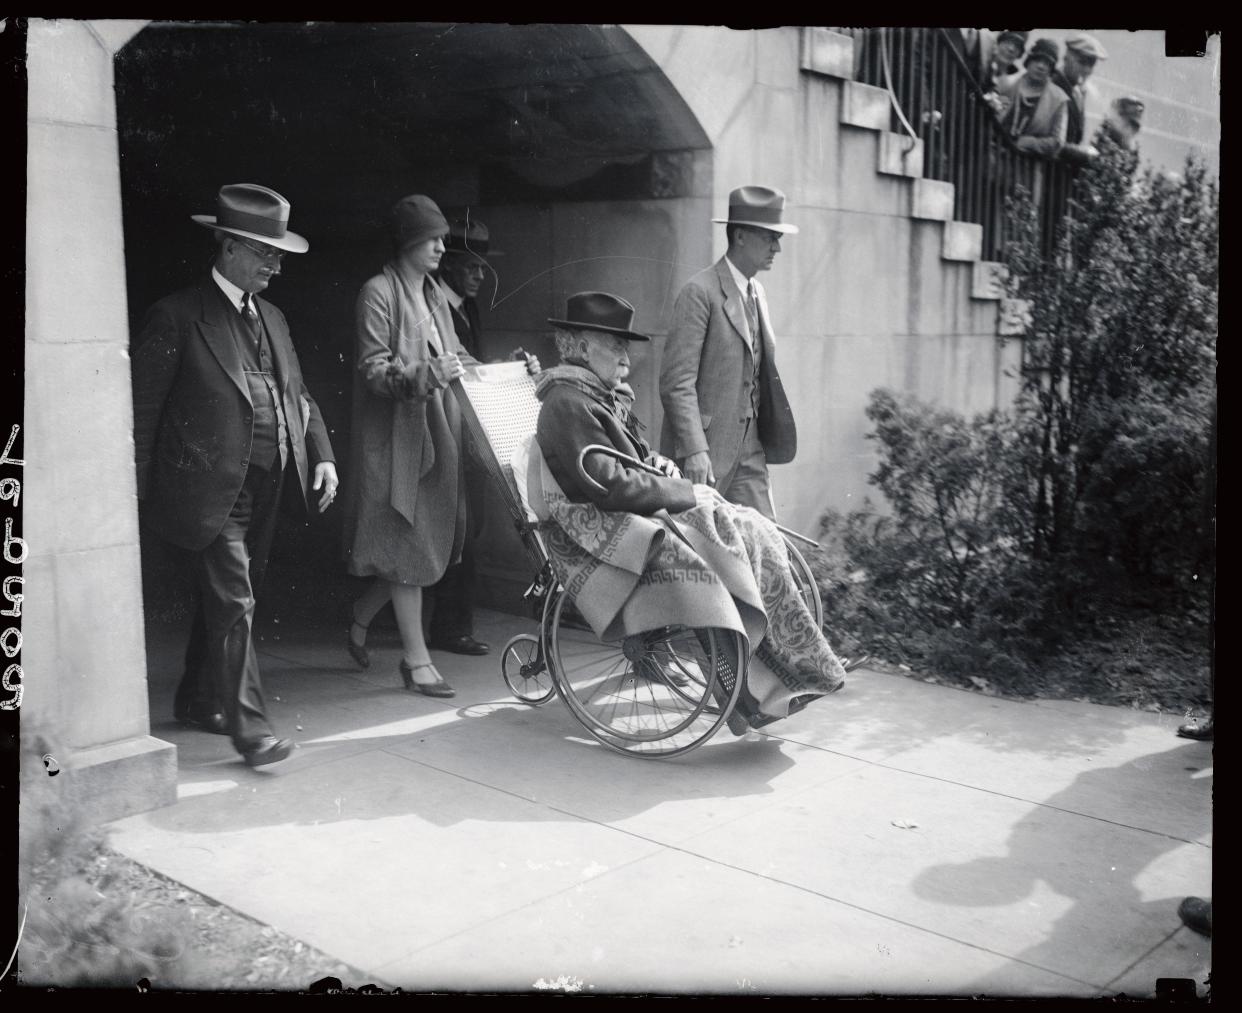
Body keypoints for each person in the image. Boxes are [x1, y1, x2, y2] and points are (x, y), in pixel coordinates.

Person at [536, 292, 847, 733]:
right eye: (616, 345)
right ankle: (756, 685)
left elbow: (629, 463)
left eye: (626, 347)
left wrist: (660, 466)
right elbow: (607, 483)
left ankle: (786, 667)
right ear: (583, 349)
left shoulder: (592, 396)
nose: (626, 357)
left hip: (634, 515)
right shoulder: (567, 404)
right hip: (609, 530)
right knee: (723, 541)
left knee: (750, 527)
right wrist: (678, 490)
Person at [131, 183, 338, 767]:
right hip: (204, 489)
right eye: (264, 251)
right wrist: (139, 498)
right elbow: (143, 416)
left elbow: (298, 394)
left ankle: (199, 700)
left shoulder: (272, 315)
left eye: (278, 254)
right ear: (225, 247)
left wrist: (321, 453)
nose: (275, 264)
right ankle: (252, 731)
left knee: (231, 600)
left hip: (268, 482)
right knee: (235, 599)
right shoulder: (177, 315)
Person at [342, 195, 479, 697]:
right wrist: (426, 374)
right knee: (410, 541)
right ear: (407, 242)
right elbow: (374, 369)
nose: (443, 247)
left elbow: (457, 358)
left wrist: (510, 369)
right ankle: (416, 661)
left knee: (425, 542)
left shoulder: (435, 296)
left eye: (443, 237)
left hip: (438, 432)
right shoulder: (377, 293)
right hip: (397, 437)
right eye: (433, 238)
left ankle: (361, 615)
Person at [659, 185, 799, 521]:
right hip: (705, 454)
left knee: (767, 541)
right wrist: (694, 449)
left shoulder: (757, 292)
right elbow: (676, 382)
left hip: (751, 450)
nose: (777, 247)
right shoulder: (700, 292)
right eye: (769, 237)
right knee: (696, 549)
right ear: (739, 237)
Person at [993, 38, 1070, 157]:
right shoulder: (1006, 84)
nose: (1041, 66)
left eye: (1047, 63)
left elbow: (1057, 142)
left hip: (1026, 168)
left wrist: (1027, 143)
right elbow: (990, 117)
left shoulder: (1058, 100)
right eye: (1037, 60)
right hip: (991, 157)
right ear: (1028, 61)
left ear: (1051, 69)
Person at [1053, 32, 1109, 164]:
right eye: (1082, 63)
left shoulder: (1078, 91)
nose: (1087, 70)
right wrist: (1081, 153)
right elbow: (1049, 140)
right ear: (1067, 58)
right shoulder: (1053, 84)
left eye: (1091, 65)